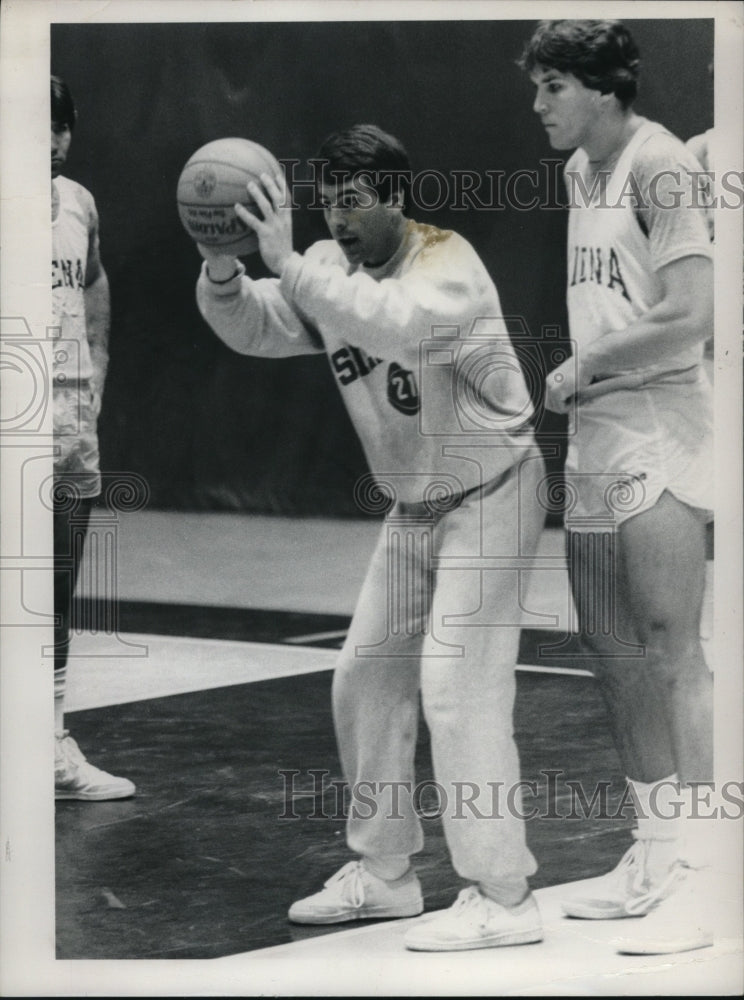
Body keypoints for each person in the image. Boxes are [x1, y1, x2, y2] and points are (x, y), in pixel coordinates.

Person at [196, 124, 547, 952]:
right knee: (364, 682)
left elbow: (393, 326)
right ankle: (387, 876)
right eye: (328, 204)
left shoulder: (446, 264)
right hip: (416, 508)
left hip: (493, 494)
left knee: (458, 691)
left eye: (354, 202)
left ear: (396, 197)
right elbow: (256, 324)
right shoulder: (329, 272)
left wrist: (291, 263)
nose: (340, 220)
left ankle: (504, 894)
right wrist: (222, 265)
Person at [519, 21, 721, 955]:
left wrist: (585, 360)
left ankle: (712, 874)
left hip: (663, 429)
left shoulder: (662, 165)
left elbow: (689, 316)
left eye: (552, 86)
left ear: (602, 89)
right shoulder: (576, 173)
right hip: (598, 430)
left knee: (672, 651)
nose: (538, 104)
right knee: (608, 651)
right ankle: (654, 847)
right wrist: (585, 376)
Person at [51, 75, 135, 800]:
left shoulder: (78, 202)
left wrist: (97, 363)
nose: (49, 139)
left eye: (60, 124)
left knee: (53, 595)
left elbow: (96, 278)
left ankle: (47, 747)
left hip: (69, 423)